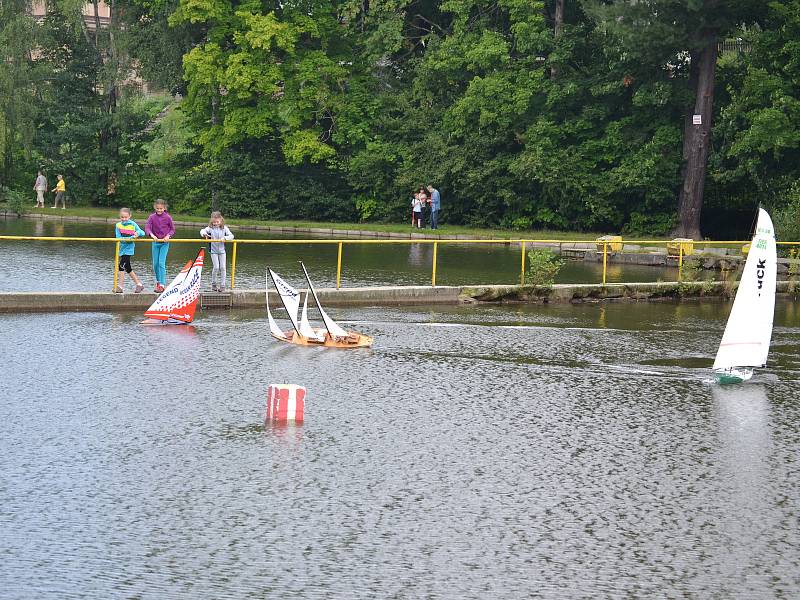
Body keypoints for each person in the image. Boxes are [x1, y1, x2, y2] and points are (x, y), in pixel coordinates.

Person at [145, 199, 175, 293]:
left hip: (164, 243)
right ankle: (158, 282)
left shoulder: (168, 217)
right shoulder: (152, 217)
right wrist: (151, 235)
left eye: (161, 208)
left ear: (164, 208)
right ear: (155, 207)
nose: (159, 210)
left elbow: (172, 229)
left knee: (161, 263)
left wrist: (168, 236)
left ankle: (162, 284)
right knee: (155, 264)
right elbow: (147, 227)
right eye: (157, 208)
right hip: (155, 242)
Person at [200, 211, 234, 292]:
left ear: (221, 221)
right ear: (212, 221)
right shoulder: (210, 228)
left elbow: (231, 236)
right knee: (216, 267)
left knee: (223, 267)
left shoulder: (224, 228)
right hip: (213, 251)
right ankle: (213, 284)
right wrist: (205, 234)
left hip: (222, 251)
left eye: (217, 222)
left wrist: (225, 238)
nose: (216, 224)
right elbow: (202, 230)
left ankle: (222, 285)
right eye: (214, 222)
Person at [114, 208, 145, 293]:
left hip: (129, 249)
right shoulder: (118, 225)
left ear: (129, 216)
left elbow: (142, 232)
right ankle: (139, 284)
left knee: (121, 265)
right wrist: (129, 238)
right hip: (122, 249)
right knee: (128, 268)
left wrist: (137, 233)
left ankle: (120, 287)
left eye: (126, 217)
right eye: (122, 217)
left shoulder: (133, 224)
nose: (124, 219)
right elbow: (118, 237)